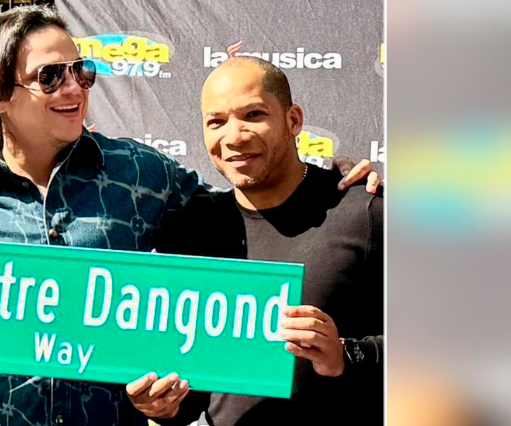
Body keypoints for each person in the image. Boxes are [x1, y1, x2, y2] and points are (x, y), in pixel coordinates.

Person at [0, 5, 377, 426]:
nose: (74, 87)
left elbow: (248, 200)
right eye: (51, 76)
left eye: (81, 71)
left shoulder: (140, 174)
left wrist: (338, 180)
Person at [133, 56, 384, 425]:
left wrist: (347, 354)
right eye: (216, 122)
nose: (233, 136)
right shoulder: (194, 231)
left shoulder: (365, 213)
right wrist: (164, 406)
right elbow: (194, 392)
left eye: (253, 115)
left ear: (293, 120)